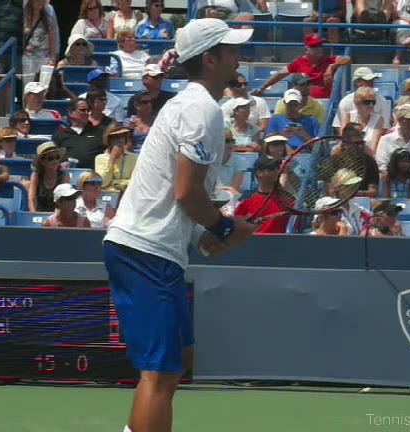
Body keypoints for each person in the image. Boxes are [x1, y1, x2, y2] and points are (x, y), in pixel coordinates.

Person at [103, 18, 256, 432]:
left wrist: (207, 235)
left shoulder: (193, 105)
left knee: (179, 360)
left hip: (155, 249)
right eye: (230, 49)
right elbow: (186, 192)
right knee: (161, 372)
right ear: (210, 60)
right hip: (144, 250)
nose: (238, 55)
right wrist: (225, 228)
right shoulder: (201, 109)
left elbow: (183, 195)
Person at [251, 34, 351, 99]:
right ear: (306, 49)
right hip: (304, 102)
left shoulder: (328, 61)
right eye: (314, 46)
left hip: (325, 102)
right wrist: (262, 88)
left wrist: (332, 67)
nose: (319, 48)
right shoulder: (299, 62)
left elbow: (347, 59)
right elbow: (279, 75)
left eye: (320, 46)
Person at [234, 155, 290, 234]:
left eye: (278, 168)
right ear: (259, 173)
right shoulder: (246, 200)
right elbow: (237, 228)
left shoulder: (289, 201)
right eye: (271, 168)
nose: (277, 171)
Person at [28, 141, 69, 212]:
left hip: (57, 214)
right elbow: (31, 199)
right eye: (50, 158)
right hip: (39, 214)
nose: (55, 161)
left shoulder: (64, 176)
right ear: (42, 161)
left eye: (57, 157)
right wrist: (34, 214)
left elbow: (64, 201)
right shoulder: (36, 176)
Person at [95, 125, 138, 191]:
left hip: (126, 192)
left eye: (122, 136)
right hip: (107, 193)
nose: (120, 140)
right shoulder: (100, 158)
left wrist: (121, 184)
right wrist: (112, 159)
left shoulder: (132, 157)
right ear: (109, 140)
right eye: (116, 137)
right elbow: (102, 183)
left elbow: (136, 180)